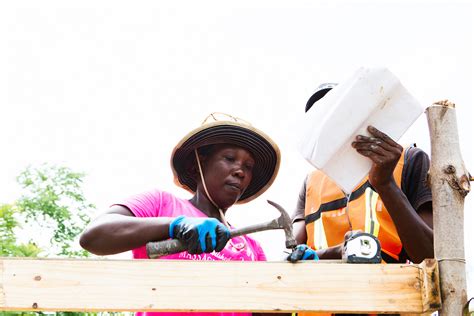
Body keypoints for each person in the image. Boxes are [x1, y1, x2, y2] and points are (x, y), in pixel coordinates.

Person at [80, 112, 281, 316]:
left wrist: (297, 271)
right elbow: (94, 236)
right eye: (229, 158)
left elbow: (269, 309)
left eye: (248, 167)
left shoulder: (250, 247)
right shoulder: (161, 204)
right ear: (198, 165)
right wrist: (175, 226)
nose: (240, 171)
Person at [289, 82, 434, 280]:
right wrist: (339, 251)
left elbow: (430, 255)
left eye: (338, 113)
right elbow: (294, 256)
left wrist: (385, 184)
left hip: (390, 301)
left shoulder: (409, 160)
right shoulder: (310, 183)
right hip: (321, 302)